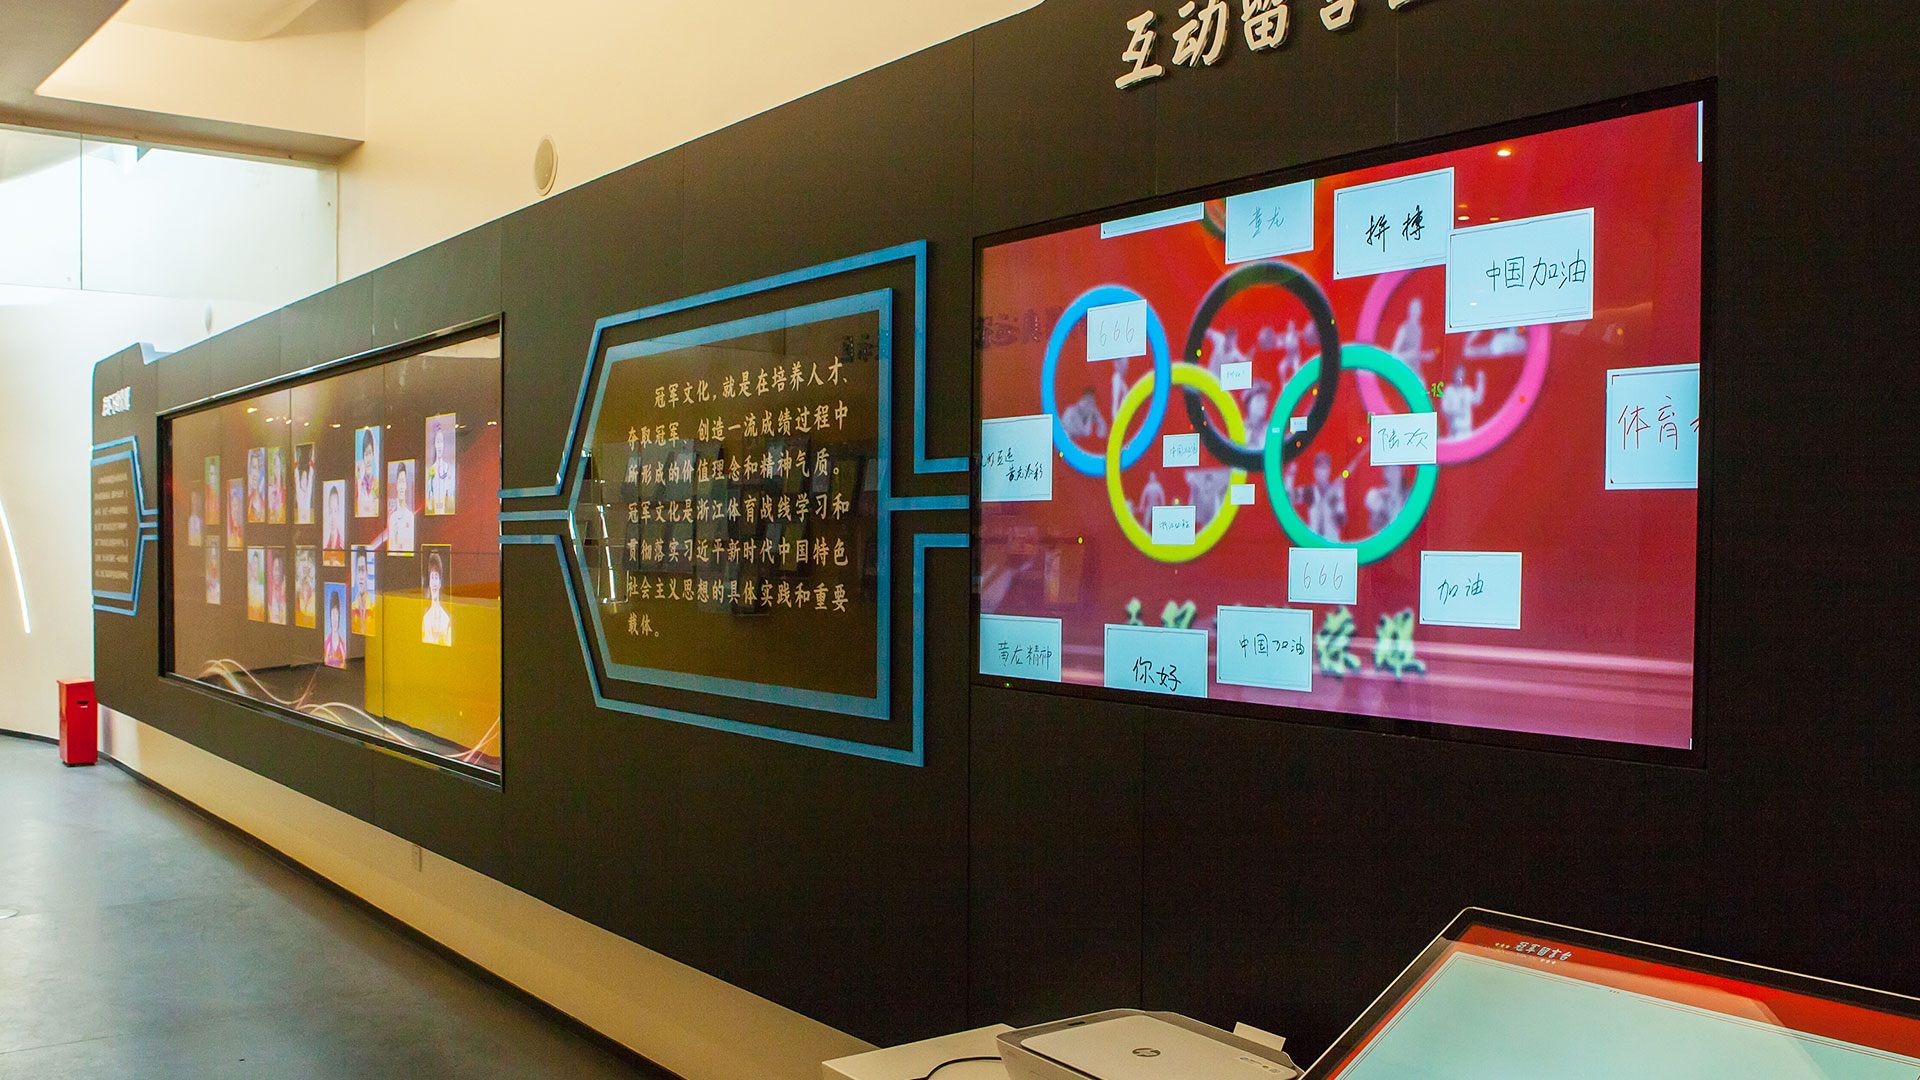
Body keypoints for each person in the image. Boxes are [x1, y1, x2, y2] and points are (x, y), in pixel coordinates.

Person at [1288, 451, 1347, 540]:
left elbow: (1342, 521)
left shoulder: (1336, 491)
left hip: (1332, 542)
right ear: (1314, 471)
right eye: (1318, 468)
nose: (1321, 472)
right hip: (1313, 542)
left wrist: (1337, 502)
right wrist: (1290, 475)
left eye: (1324, 468)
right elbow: (1288, 498)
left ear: (1329, 470)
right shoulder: (1309, 491)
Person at [1389, 297, 1439, 380]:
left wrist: (1425, 356)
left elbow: (1416, 355)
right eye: (1414, 309)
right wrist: (1409, 355)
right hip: (1405, 371)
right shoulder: (1404, 329)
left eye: (1418, 309)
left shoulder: (1419, 329)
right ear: (1409, 310)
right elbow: (1393, 355)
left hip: (1416, 372)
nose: (1416, 312)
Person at [1441, 364, 1487, 438]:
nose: (1460, 377)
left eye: (1462, 374)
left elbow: (1477, 400)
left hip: (1467, 431)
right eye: (1458, 374)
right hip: (1454, 432)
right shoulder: (1449, 391)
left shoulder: (1467, 391)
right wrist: (1456, 412)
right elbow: (1444, 410)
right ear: (1454, 375)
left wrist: (1481, 381)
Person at [1365, 464, 1408, 535]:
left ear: (1402, 471)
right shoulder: (1378, 496)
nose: (1392, 475)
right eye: (1389, 471)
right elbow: (1374, 527)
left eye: (1395, 470)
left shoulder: (1410, 496)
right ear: (1385, 473)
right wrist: (1378, 510)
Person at [422, 552, 453, 647]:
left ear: (440, 583)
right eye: (432, 577)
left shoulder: (446, 620)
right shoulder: (425, 619)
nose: (434, 582)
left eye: (436, 577)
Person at [426, 425, 455, 515]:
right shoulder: (431, 469)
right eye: (437, 442)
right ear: (434, 444)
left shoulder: (447, 468)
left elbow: (450, 496)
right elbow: (429, 495)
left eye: (441, 442)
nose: (439, 446)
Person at [388, 462, 416, 552]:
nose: (401, 487)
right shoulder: (391, 517)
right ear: (396, 485)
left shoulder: (411, 517)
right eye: (399, 482)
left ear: (406, 485)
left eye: (403, 482)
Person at [356, 430, 379, 517]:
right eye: (366, 454)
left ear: (373, 455)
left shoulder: (377, 484)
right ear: (363, 457)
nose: (368, 460)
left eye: (370, 453)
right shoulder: (358, 485)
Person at [325, 593, 347, 668]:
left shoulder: (343, 646)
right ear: (330, 616)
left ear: (339, 616)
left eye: (336, 614)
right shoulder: (326, 644)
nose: (334, 619)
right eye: (333, 614)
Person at [323, 484, 346, 550]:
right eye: (330, 511)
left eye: (335, 511)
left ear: (339, 512)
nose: (332, 517)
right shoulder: (324, 546)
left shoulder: (343, 546)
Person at [294, 450, 314, 525]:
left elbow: (311, 475)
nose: (304, 481)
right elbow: (296, 475)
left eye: (305, 478)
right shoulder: (299, 493)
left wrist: (313, 452)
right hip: (300, 523)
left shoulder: (308, 493)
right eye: (302, 478)